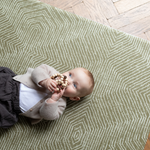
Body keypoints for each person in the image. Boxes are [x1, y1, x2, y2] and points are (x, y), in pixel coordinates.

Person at [0, 64, 94, 129]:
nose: (68, 81)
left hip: (11, 108)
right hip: (13, 85)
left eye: (74, 85)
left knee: (7, 121)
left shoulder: (60, 103)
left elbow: (48, 116)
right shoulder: (52, 73)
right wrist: (45, 81)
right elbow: (38, 70)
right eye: (70, 74)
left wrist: (53, 100)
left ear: (74, 98)